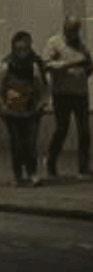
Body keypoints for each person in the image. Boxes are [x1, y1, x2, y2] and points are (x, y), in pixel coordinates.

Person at [0, 29, 50, 186]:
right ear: (14, 48)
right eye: (19, 49)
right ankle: (18, 174)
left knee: (30, 143)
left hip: (31, 109)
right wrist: (2, 103)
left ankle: (32, 172)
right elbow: (1, 87)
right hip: (13, 111)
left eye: (25, 49)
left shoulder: (36, 63)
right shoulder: (7, 64)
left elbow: (43, 85)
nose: (22, 53)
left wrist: (42, 103)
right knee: (16, 144)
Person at [43, 15, 90, 179]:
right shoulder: (54, 43)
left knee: (85, 130)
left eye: (76, 29)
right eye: (71, 29)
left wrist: (87, 67)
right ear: (64, 28)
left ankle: (84, 168)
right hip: (61, 93)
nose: (73, 33)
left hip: (80, 92)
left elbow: (87, 65)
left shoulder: (82, 46)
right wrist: (71, 64)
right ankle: (51, 161)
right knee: (62, 129)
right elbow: (48, 65)